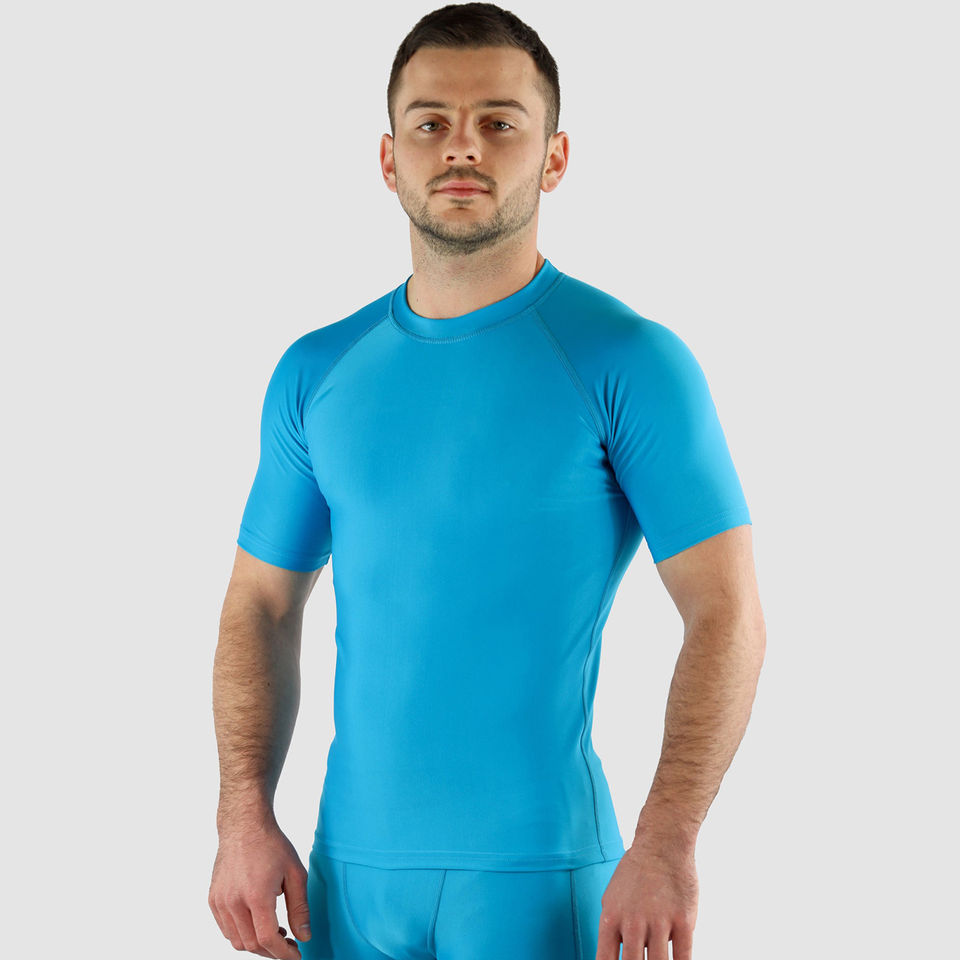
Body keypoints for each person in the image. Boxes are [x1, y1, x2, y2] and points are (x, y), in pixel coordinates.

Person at [208, 3, 766, 959]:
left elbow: (728, 613)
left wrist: (667, 842)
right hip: (348, 883)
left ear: (554, 158)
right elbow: (259, 603)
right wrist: (242, 817)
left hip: (541, 882)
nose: (461, 146)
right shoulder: (317, 371)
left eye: (499, 123)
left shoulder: (629, 362)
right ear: (389, 159)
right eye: (431, 122)